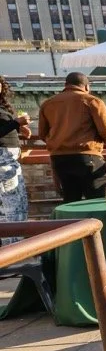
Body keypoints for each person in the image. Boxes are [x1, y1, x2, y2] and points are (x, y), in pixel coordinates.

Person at [37, 71, 106, 203]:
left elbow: (42, 134)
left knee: (70, 201)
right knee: (96, 201)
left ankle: (71, 224)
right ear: (87, 87)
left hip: (59, 159)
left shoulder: (48, 104)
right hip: (87, 157)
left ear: (65, 85)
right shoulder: (93, 101)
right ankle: (96, 224)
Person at [0, 77, 31, 241]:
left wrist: (19, 128)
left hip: (9, 160)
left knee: (17, 204)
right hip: (2, 162)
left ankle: (14, 246)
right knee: (11, 207)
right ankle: (13, 250)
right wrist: (16, 123)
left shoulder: (2, 107)